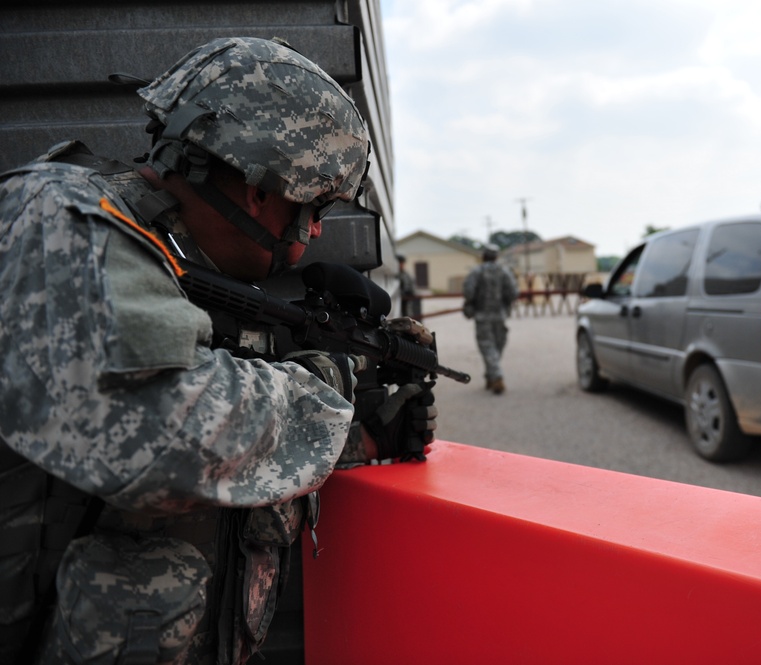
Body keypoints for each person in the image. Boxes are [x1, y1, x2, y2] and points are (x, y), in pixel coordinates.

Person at [0, 37, 437, 664]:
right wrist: (332, 379)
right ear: (260, 190)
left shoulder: (171, 262)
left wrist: (364, 435)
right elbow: (158, 430)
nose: (314, 232)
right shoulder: (59, 216)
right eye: (312, 208)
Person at [462, 244, 519, 394]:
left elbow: (468, 291)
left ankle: (495, 375)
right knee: (497, 346)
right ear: (496, 256)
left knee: (488, 347)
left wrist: (471, 304)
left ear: (484, 256)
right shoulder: (504, 271)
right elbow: (513, 293)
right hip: (500, 316)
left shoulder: (476, 271)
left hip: (482, 316)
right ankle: (493, 375)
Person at [397, 253, 421, 320]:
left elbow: (412, 286)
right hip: (399, 299)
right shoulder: (395, 275)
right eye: (400, 263)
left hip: (406, 299)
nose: (401, 265)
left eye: (402, 263)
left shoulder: (406, 275)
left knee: (407, 314)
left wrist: (410, 292)